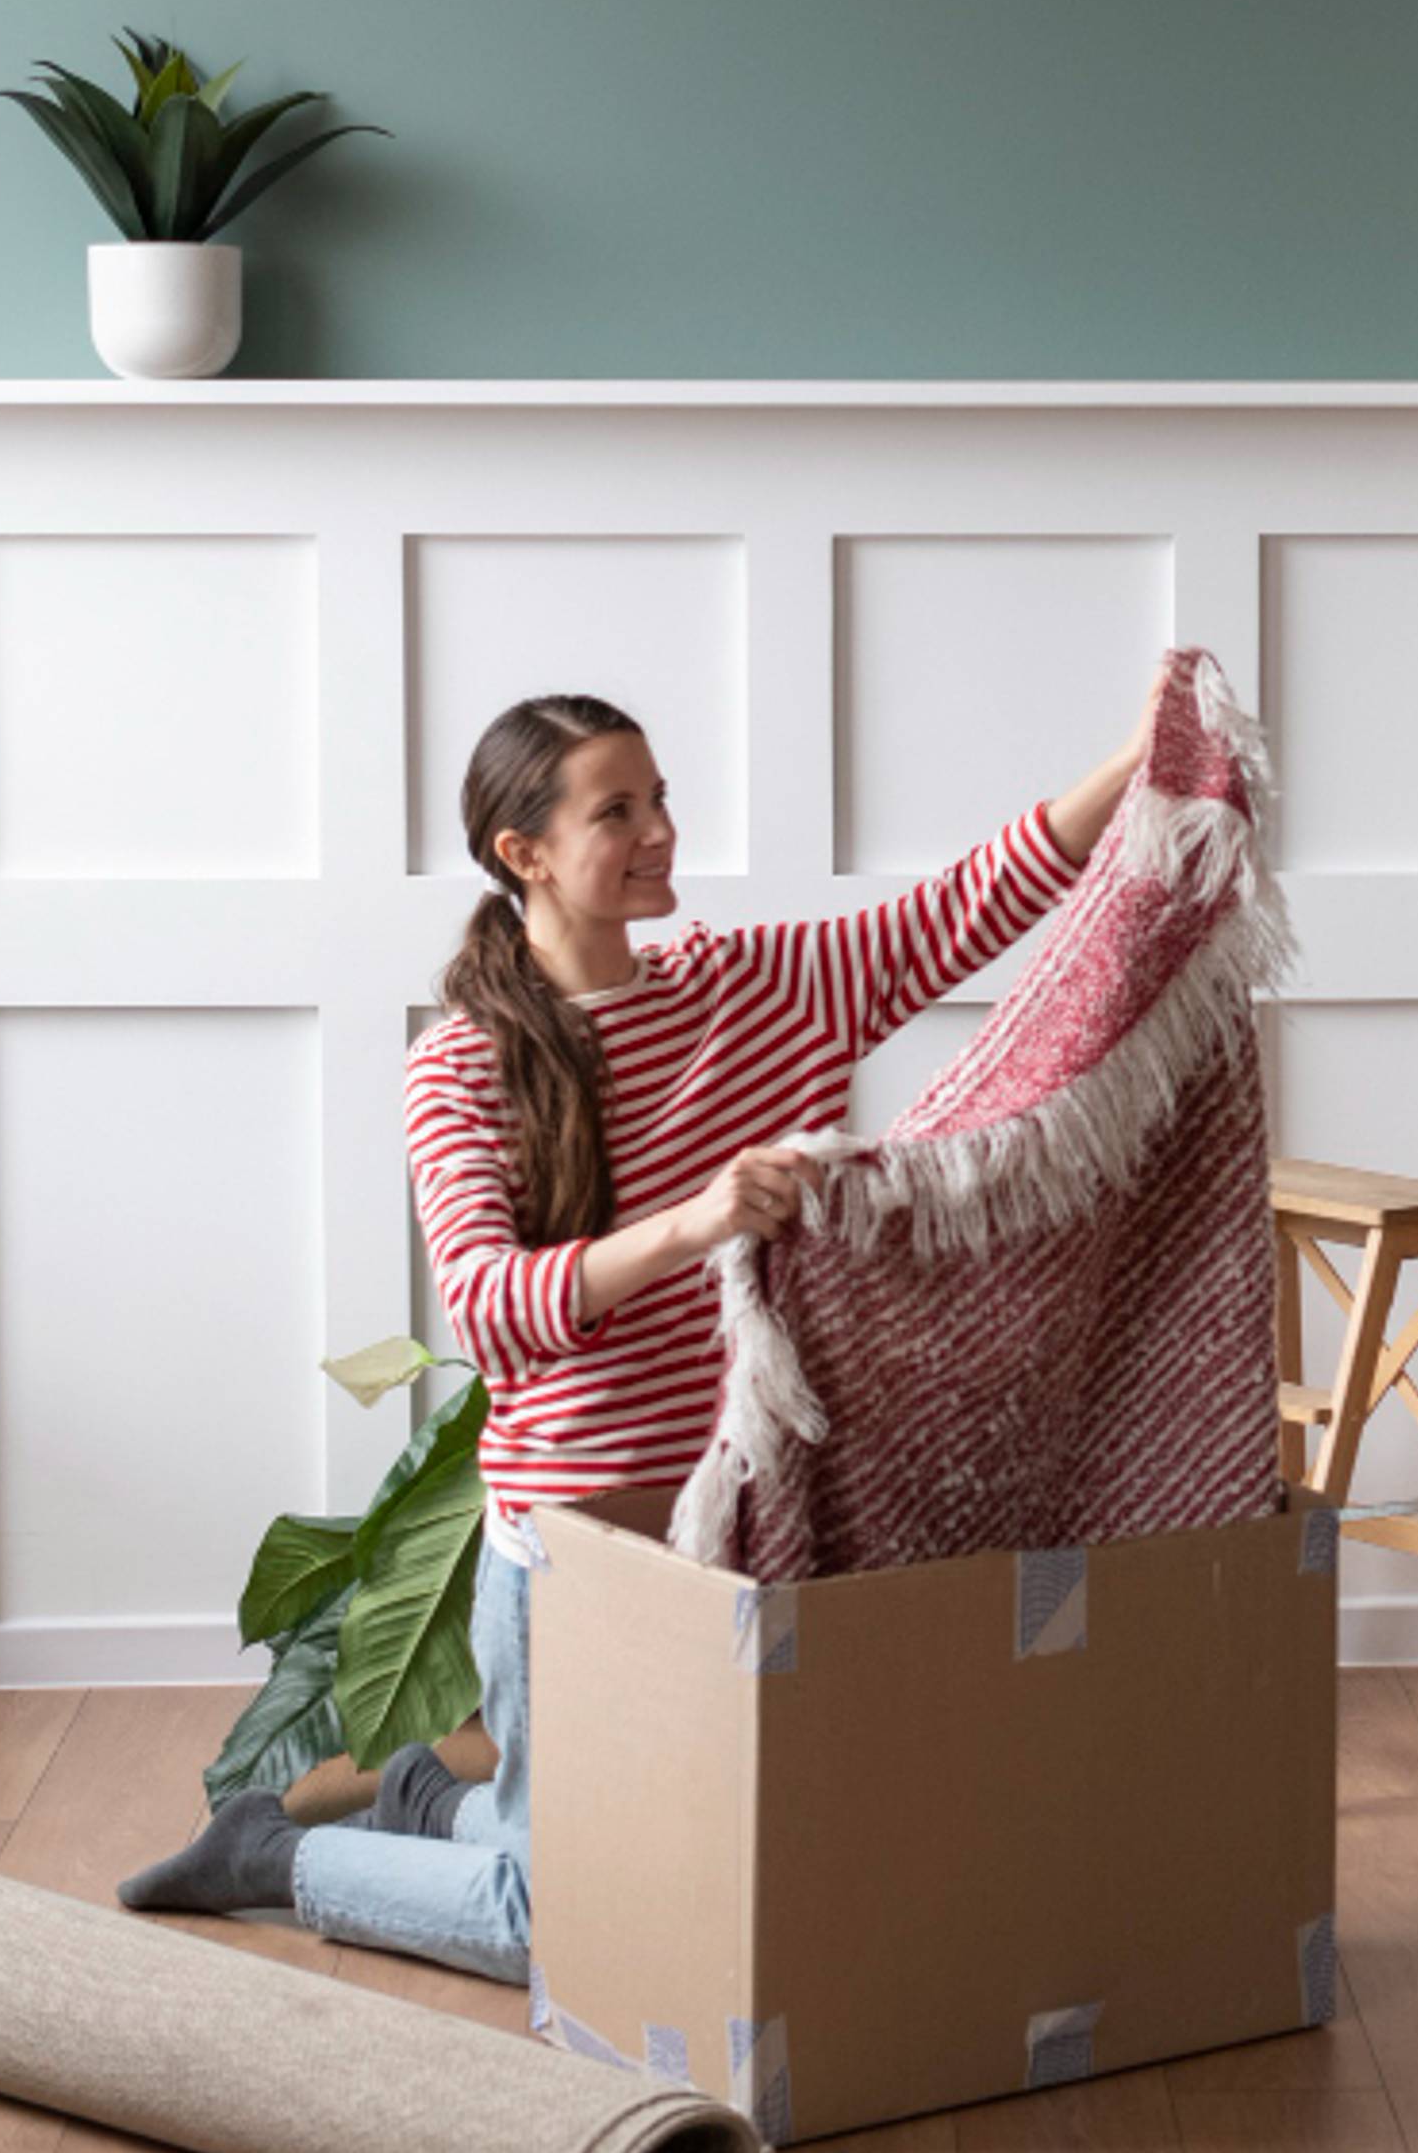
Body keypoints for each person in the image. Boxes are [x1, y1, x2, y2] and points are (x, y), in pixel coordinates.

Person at [118, 686, 1149, 1982]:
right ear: (525, 852)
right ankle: (271, 1857)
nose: (662, 830)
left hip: (733, 1531)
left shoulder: (753, 990)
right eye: (620, 809)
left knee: (726, 1863)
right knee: (565, 1925)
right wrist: (693, 1222)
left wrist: (1135, 757)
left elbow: (960, 911)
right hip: (570, 1558)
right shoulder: (465, 1061)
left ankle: (440, 1808)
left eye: (661, 797)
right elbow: (487, 1311)